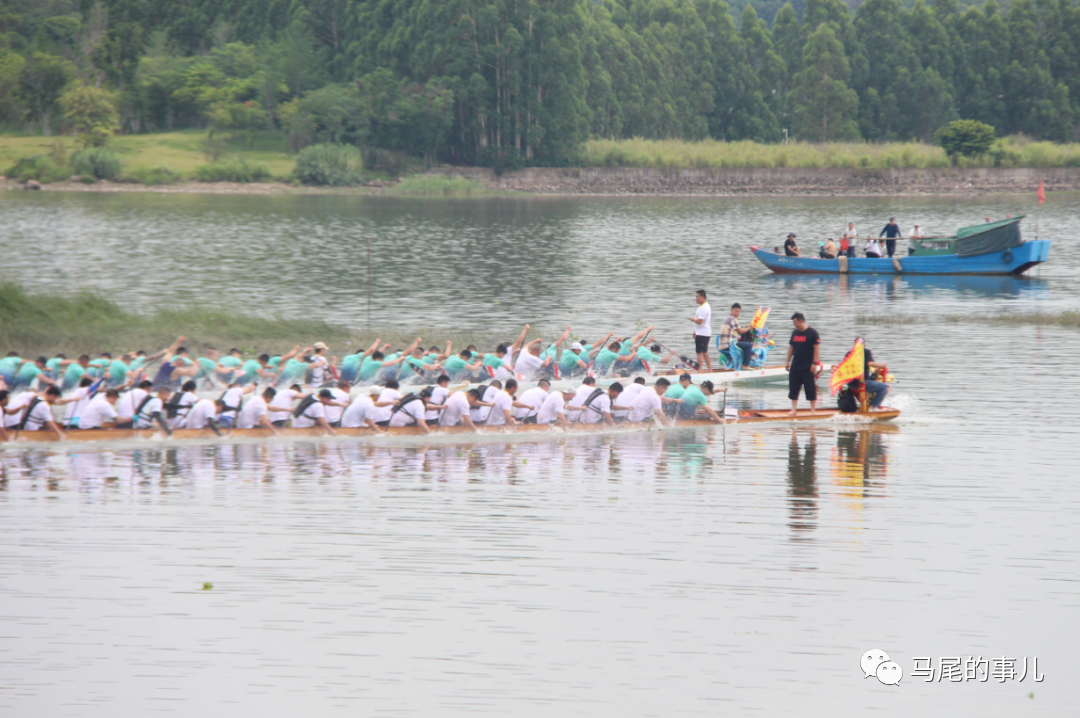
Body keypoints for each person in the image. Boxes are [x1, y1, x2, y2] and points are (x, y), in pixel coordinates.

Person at [785, 312, 821, 416]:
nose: (795, 325)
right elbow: (791, 347)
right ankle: (793, 410)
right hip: (795, 364)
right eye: (794, 323)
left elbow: (817, 348)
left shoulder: (813, 333)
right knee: (793, 387)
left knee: (810, 387)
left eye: (796, 323)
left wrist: (814, 363)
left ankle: (813, 410)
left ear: (802, 321)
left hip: (808, 365)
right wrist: (787, 361)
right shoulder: (795, 333)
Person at [719, 303, 754, 369]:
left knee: (743, 343)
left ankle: (737, 365)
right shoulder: (733, 319)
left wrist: (746, 329)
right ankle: (745, 365)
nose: (737, 313)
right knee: (749, 345)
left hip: (722, 345)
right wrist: (749, 328)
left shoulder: (727, 319)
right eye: (735, 311)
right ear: (731, 311)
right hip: (729, 345)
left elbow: (738, 332)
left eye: (738, 312)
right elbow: (740, 331)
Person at [691, 289, 713, 373]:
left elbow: (700, 321)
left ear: (702, 297)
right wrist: (695, 331)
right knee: (704, 352)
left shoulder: (703, 308)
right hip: (704, 332)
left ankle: (699, 370)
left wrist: (693, 319)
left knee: (699, 352)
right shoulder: (705, 306)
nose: (696, 298)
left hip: (702, 333)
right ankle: (710, 369)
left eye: (697, 297)